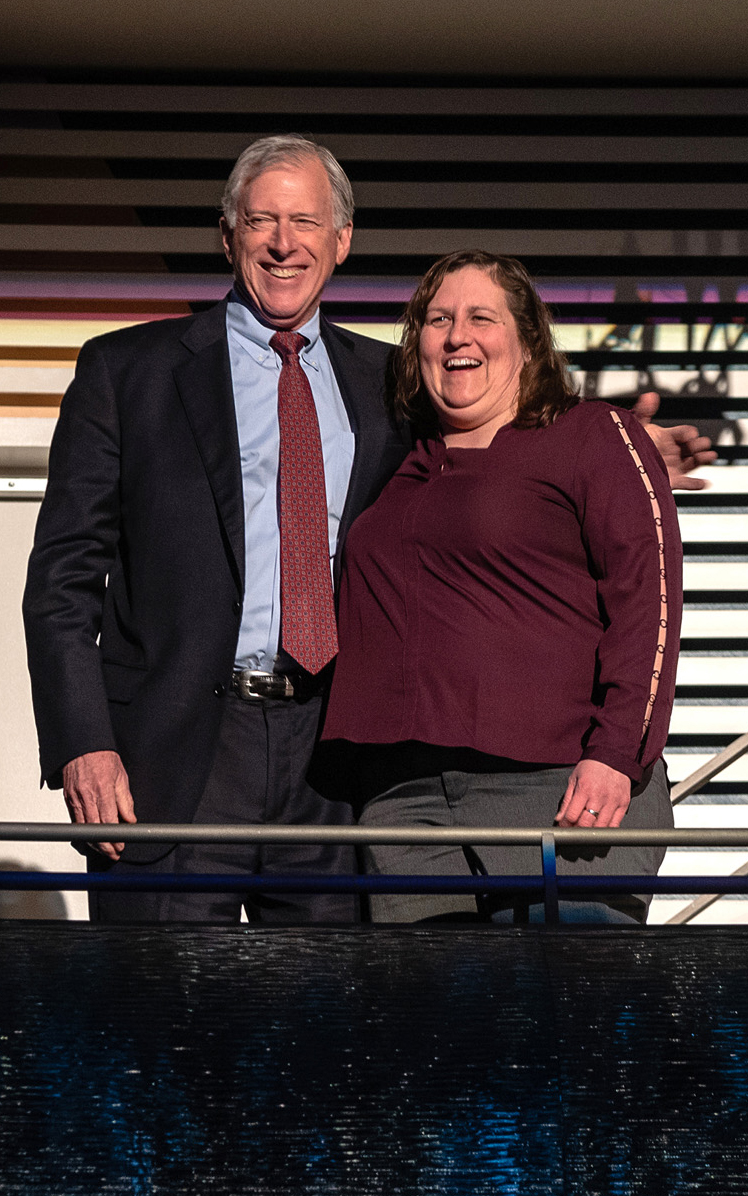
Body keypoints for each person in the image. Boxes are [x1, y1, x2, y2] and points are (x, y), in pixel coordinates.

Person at [23, 137, 711, 925]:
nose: (284, 243)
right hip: (174, 759)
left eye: (306, 222)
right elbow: (62, 581)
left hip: (335, 775)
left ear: (341, 241)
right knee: (159, 1029)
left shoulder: (386, 386)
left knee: (345, 1037)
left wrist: (612, 440)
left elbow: (493, 431)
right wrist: (84, 740)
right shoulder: (126, 373)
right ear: (228, 235)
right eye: (262, 221)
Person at [322, 250, 684, 924]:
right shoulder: (402, 460)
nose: (458, 335)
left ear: (527, 341)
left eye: (481, 317)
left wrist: (617, 754)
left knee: (563, 1017)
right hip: (406, 802)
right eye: (438, 320)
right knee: (439, 1025)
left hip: (557, 788)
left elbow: (649, 603)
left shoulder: (591, 436)